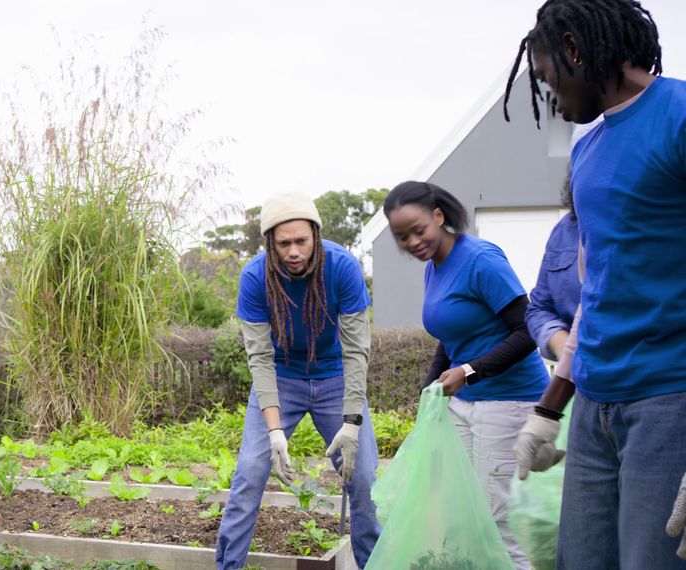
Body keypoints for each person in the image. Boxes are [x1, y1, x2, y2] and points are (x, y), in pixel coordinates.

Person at [505, 0, 686, 566]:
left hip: (669, 403)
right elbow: (596, 297)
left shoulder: (679, 116)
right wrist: (549, 408)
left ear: (574, 49)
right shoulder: (587, 150)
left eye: (546, 77)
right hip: (594, 408)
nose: (550, 96)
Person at [384, 181, 549, 570]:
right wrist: (430, 386)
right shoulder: (434, 269)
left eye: (418, 230)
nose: (412, 242)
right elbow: (452, 336)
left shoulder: (480, 259)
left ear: (439, 217)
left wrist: (470, 371)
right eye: (401, 237)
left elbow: (529, 332)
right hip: (465, 404)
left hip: (508, 401)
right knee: (461, 512)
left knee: (498, 520)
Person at [215, 191, 380, 569]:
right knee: (250, 473)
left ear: (316, 237)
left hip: (335, 380)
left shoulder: (342, 268)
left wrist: (352, 422)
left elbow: (357, 351)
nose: (293, 251)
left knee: (366, 479)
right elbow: (260, 359)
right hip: (281, 379)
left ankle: (373, 563)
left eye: (301, 241)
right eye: (284, 243)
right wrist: (274, 433)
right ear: (270, 245)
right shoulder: (255, 277)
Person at [524, 180, 580, 365]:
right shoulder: (566, 228)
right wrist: (562, 345)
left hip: (654, 382)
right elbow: (539, 308)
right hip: (585, 382)